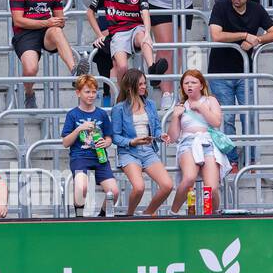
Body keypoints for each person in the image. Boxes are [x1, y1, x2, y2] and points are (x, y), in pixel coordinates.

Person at [208, 0, 273, 166]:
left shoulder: (256, 9)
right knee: (227, 118)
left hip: (245, 73)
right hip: (220, 72)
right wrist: (245, 35)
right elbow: (216, 35)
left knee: (249, 116)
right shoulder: (220, 7)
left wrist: (257, 40)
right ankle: (231, 161)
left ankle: (251, 160)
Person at [11, 0, 92, 108]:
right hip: (25, 33)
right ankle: (29, 93)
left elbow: (59, 19)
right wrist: (47, 22)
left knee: (56, 30)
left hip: (47, 31)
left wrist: (57, 22)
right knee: (30, 69)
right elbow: (18, 20)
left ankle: (76, 73)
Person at [86, 0, 167, 83]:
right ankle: (122, 97)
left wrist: (148, 33)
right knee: (122, 67)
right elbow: (90, 12)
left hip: (136, 27)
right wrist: (100, 35)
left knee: (143, 37)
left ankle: (152, 69)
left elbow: (145, 12)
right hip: (117, 32)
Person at [164, 69, 229, 216]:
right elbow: (173, 137)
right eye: (186, 83)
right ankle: (173, 213)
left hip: (208, 142)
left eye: (193, 82)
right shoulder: (181, 106)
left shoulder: (210, 100)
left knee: (211, 188)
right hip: (188, 143)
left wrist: (201, 107)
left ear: (201, 85)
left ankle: (213, 214)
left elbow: (216, 122)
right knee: (189, 178)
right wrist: (175, 116)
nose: (189, 86)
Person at [110, 68, 174, 217]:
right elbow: (116, 137)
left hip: (148, 150)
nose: (144, 87)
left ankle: (148, 213)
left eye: (144, 83)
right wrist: (132, 142)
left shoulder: (150, 104)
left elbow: (156, 128)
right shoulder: (119, 108)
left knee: (167, 185)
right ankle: (130, 216)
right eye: (140, 84)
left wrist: (161, 135)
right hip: (129, 152)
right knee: (139, 187)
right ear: (129, 86)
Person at [61, 75, 120, 217]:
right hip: (80, 157)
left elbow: (109, 137)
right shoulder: (73, 114)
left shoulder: (101, 114)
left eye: (94, 92)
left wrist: (106, 142)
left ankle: (102, 216)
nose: (91, 95)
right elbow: (65, 142)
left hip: (100, 157)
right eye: (87, 92)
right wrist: (79, 129)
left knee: (114, 192)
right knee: (82, 187)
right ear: (78, 93)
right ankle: (79, 216)